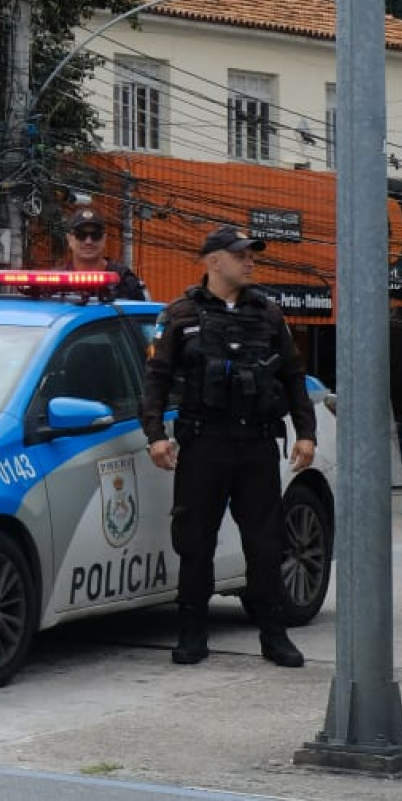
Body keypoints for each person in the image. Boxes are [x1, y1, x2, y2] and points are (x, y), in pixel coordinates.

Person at [139, 224, 317, 667]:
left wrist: (306, 432)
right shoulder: (179, 314)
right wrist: (155, 436)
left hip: (256, 445)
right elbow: (155, 380)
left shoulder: (269, 314)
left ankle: (274, 637)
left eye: (251, 255)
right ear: (214, 261)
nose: (250, 261)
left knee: (266, 544)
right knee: (195, 542)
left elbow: (293, 376)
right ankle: (192, 635)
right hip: (205, 443)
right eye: (241, 255)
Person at [60, 209, 149, 301]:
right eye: (81, 235)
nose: (88, 241)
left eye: (95, 235)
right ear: (69, 239)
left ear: (104, 239)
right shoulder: (57, 280)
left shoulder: (123, 280)